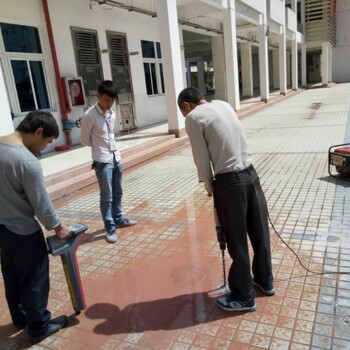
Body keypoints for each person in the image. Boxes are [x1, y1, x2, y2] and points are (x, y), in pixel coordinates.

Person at [177, 87, 274, 312]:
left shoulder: (193, 117)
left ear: (186, 106)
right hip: (252, 175)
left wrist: (211, 189)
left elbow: (201, 159)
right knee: (259, 233)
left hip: (230, 183)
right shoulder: (224, 104)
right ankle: (265, 281)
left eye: (183, 112)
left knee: (236, 241)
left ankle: (243, 297)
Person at [0, 111, 72, 342]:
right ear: (39, 131)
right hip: (23, 232)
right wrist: (58, 228)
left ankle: (21, 317)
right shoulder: (25, 161)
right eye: (46, 142)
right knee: (34, 278)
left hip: (2, 230)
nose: (42, 149)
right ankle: (40, 326)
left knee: (12, 276)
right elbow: (41, 204)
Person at [80, 80, 137, 243]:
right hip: (102, 161)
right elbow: (84, 140)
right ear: (98, 96)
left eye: (112, 101)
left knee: (118, 192)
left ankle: (119, 219)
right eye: (106, 100)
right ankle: (110, 228)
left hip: (116, 157)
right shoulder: (90, 115)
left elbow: (111, 135)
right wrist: (99, 146)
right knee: (107, 197)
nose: (109, 104)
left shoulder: (112, 113)